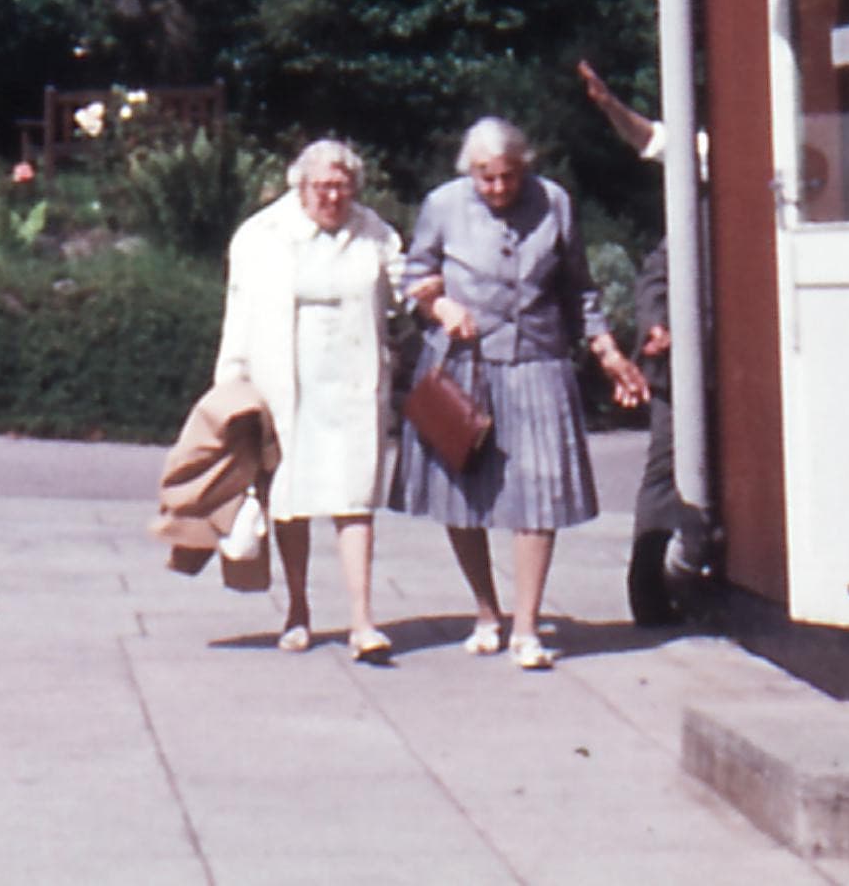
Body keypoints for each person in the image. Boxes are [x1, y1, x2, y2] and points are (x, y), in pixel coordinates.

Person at [388, 115, 647, 670]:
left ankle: (527, 629)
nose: (499, 188)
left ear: (524, 166)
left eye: (508, 176)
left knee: (541, 492)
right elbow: (415, 276)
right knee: (460, 493)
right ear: (470, 173)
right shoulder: (443, 205)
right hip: (462, 365)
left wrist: (607, 351)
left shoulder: (554, 202)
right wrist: (439, 306)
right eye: (487, 178)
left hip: (537, 360)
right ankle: (487, 613)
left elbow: (579, 288)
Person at [213, 139, 407, 662]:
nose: (333, 197)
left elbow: (406, 295)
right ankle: (298, 610)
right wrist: (229, 389)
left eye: (342, 187)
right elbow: (239, 317)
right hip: (284, 385)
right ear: (300, 186)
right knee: (290, 499)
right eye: (322, 187)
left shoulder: (376, 234)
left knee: (355, 499)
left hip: (352, 383)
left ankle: (363, 622)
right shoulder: (260, 236)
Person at [578, 60, 705, 626]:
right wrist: (607, 106)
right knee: (667, 463)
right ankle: (646, 581)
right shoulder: (696, 188)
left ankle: (699, 570)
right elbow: (651, 137)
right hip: (681, 358)